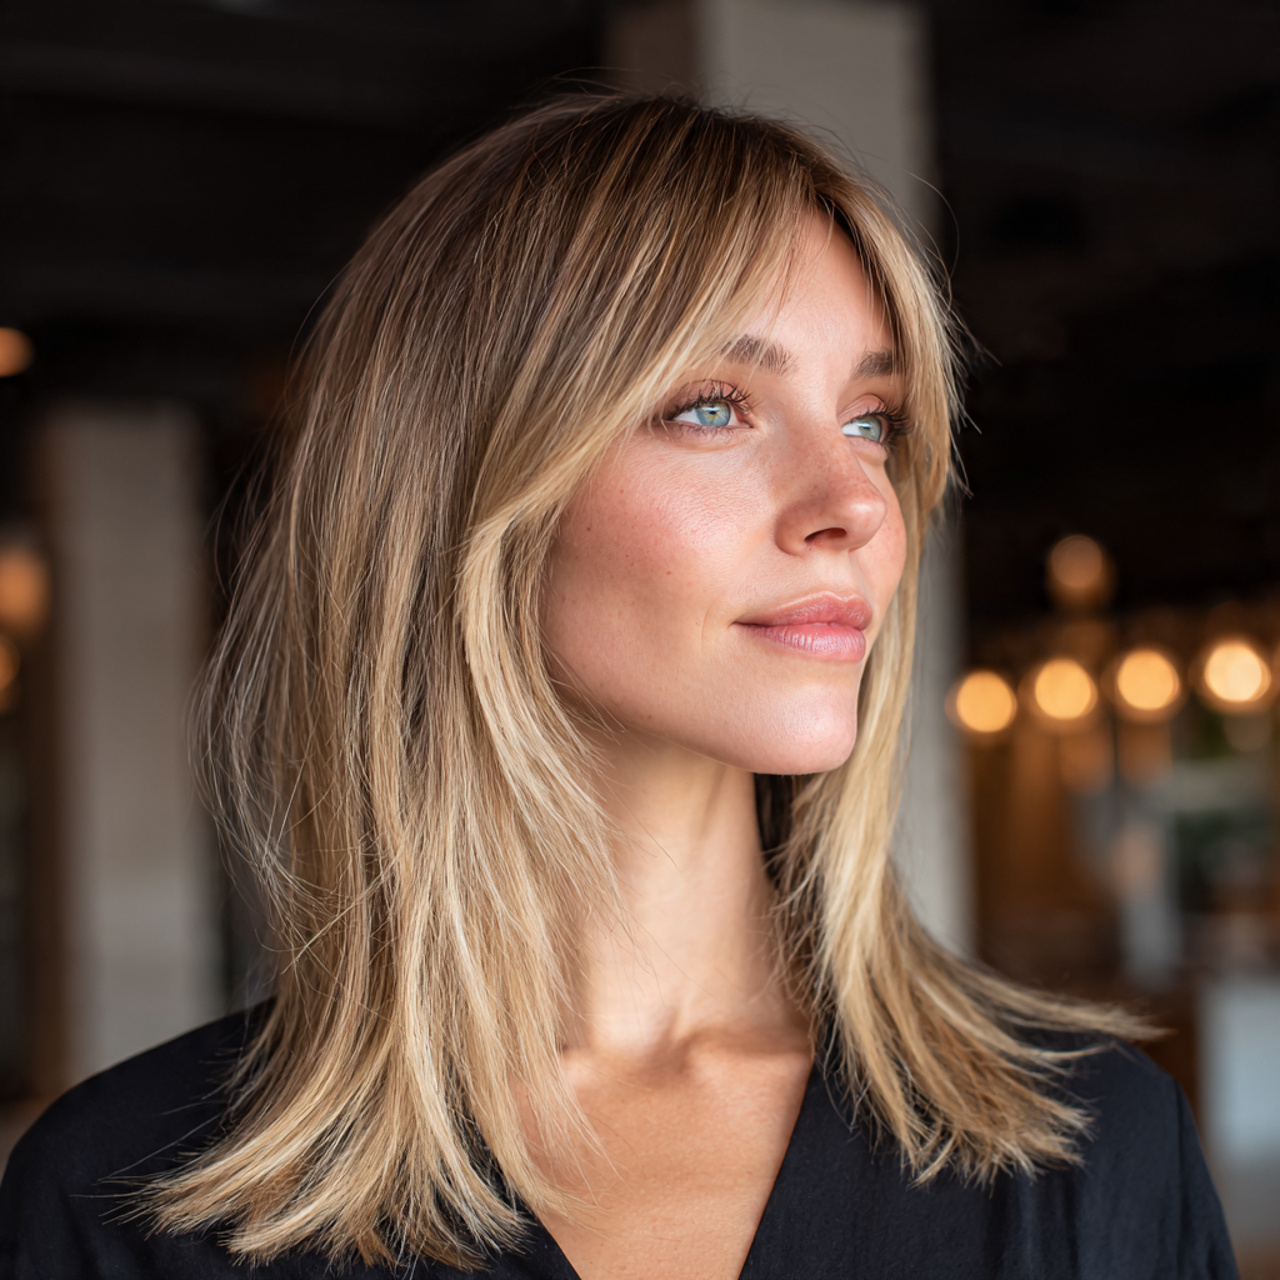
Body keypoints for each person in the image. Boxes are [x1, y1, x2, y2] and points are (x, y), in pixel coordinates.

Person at [0, 93, 1237, 1280]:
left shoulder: (1085, 1149)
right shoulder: (124, 1197)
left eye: (872, 418)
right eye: (713, 406)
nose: (857, 501)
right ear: (466, 491)